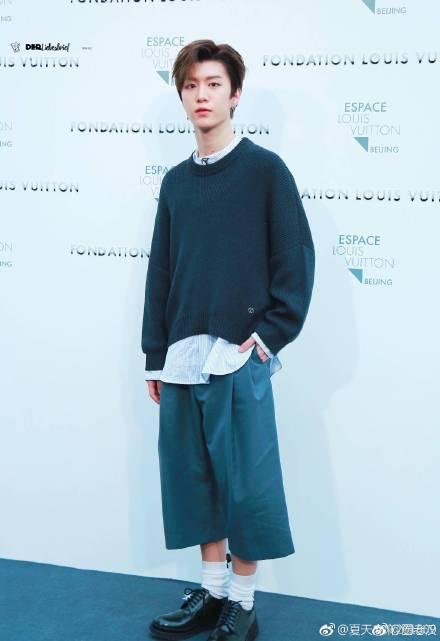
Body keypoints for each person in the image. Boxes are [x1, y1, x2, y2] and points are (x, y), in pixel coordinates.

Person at [141, 39, 315, 641]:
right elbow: (162, 270)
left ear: (235, 94)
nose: (202, 95)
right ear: (181, 95)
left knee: (246, 483)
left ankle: (243, 600)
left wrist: (268, 336)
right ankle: (213, 593)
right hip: (182, 356)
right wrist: (155, 355)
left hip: (237, 354)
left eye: (213, 84)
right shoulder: (175, 182)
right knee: (194, 479)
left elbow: (295, 259)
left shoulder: (265, 171)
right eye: (191, 85)